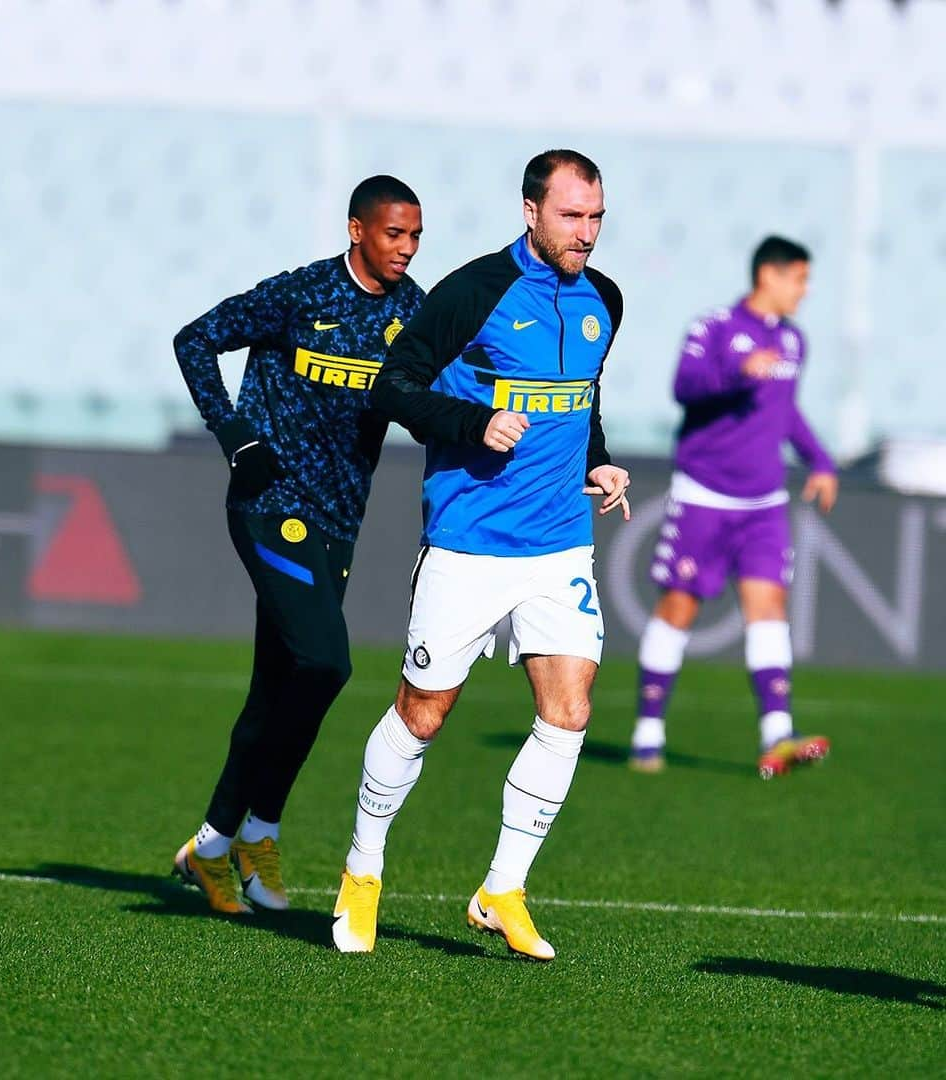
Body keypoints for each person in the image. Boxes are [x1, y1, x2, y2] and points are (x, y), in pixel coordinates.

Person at [330, 150, 631, 961]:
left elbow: (580, 399)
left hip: (559, 546)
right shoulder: (474, 291)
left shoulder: (604, 300)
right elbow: (392, 387)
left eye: (596, 216)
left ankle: (503, 888)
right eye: (572, 216)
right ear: (530, 210)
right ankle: (363, 871)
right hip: (468, 544)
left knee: (568, 714)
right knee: (422, 714)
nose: (587, 233)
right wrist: (472, 424)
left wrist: (597, 457)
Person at [171, 176, 425, 914]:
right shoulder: (300, 295)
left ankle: (215, 847)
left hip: (340, 520)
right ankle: (252, 830)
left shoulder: (412, 314)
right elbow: (195, 341)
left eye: (414, 236)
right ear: (357, 230)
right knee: (326, 662)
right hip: (270, 505)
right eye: (392, 234)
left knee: (279, 688)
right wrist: (232, 433)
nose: (405, 248)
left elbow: (433, 398)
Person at [628, 235, 838, 780]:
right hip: (704, 495)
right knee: (679, 609)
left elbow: (786, 413)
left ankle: (778, 736)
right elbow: (684, 387)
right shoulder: (714, 328)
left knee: (769, 609)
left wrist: (820, 460)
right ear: (769, 275)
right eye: (800, 278)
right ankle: (648, 732)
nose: (805, 290)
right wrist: (736, 374)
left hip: (764, 503)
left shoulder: (793, 341)